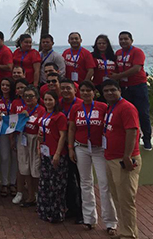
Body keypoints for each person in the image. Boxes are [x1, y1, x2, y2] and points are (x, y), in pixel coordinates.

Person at [67, 80, 117, 234]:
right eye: (82, 90)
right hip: (81, 148)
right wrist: (70, 148)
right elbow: (72, 128)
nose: (85, 93)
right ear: (79, 92)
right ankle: (89, 219)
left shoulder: (103, 107)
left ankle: (110, 222)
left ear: (94, 92)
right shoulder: (76, 108)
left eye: (88, 90)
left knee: (104, 184)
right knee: (85, 183)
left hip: (99, 149)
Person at [102, 79, 142, 239]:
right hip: (111, 158)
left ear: (119, 90)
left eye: (113, 90)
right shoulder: (111, 107)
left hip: (123, 160)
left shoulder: (127, 108)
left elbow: (132, 132)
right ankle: (125, 231)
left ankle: (130, 234)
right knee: (117, 197)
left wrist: (127, 156)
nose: (109, 93)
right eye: (106, 91)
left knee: (126, 199)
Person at [111, 31, 152, 151]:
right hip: (124, 87)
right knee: (127, 114)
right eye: (121, 39)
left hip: (138, 86)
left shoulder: (137, 52)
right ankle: (133, 138)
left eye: (125, 39)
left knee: (143, 113)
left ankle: (147, 139)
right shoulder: (118, 53)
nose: (123, 41)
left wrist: (118, 76)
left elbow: (136, 68)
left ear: (131, 40)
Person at [37, 90, 68, 223]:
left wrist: (57, 154)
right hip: (45, 153)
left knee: (56, 186)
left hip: (56, 154)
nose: (48, 102)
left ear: (56, 101)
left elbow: (63, 136)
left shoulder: (60, 116)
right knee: (45, 183)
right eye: (46, 99)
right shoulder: (45, 114)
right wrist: (39, 146)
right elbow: (42, 133)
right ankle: (45, 210)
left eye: (50, 100)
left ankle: (57, 213)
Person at [12, 86, 45, 208]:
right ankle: (30, 196)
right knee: (25, 168)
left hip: (35, 141)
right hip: (23, 139)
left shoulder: (42, 110)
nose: (28, 99)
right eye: (26, 96)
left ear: (37, 98)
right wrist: (21, 117)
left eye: (31, 96)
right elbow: (14, 126)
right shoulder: (23, 110)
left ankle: (38, 196)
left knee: (36, 168)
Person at [60, 79, 84, 223]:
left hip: (78, 146)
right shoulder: (58, 103)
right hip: (62, 147)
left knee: (81, 180)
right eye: (62, 88)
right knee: (67, 180)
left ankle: (83, 211)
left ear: (75, 90)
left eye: (68, 88)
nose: (65, 91)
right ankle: (71, 208)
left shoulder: (81, 104)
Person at [0, 78, 17, 198]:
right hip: (3, 130)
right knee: (4, 157)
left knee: (14, 157)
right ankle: (4, 183)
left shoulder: (16, 100)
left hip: (15, 130)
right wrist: (0, 116)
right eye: (3, 84)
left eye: (7, 85)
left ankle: (12, 183)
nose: (5, 87)